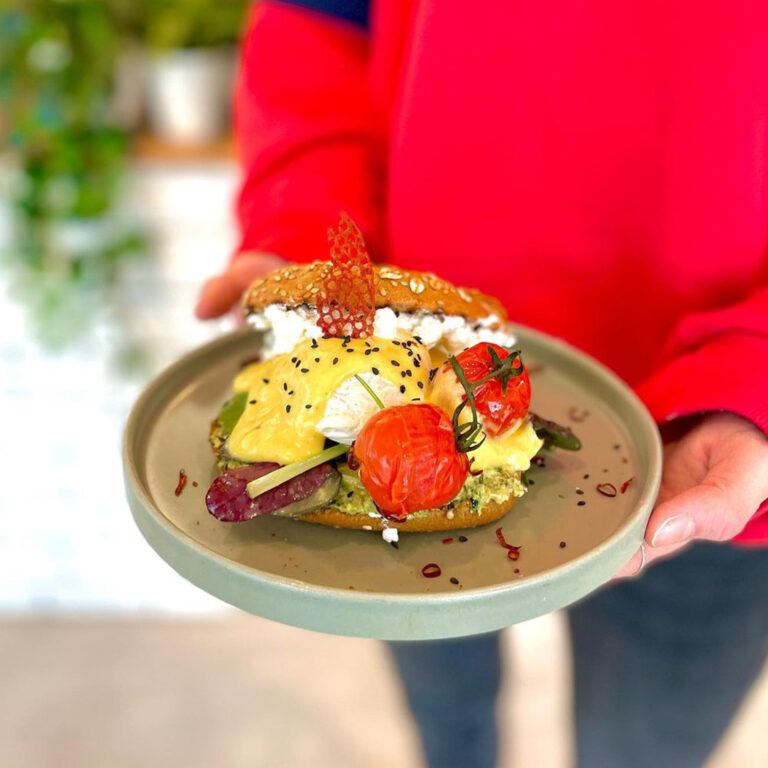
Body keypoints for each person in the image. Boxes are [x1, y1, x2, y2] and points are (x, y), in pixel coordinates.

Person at [196, 2, 768, 766]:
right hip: (384, 385)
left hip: (713, 442)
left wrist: (755, 372)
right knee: (447, 723)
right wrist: (312, 241)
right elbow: (318, 22)